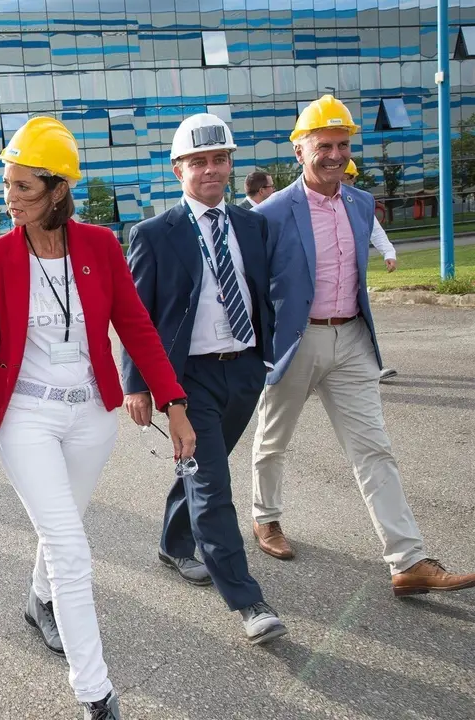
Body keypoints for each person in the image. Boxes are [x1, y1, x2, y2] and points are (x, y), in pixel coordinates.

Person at [0, 116, 195, 720]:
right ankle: (95, 691)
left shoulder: (100, 246)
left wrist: (174, 403)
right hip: (27, 416)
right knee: (70, 545)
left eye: (23, 188)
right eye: (7, 185)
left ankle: (39, 602)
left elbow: (136, 326)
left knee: (62, 527)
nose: (10, 199)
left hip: (91, 415)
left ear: (58, 190)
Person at [251, 96, 475, 596]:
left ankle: (408, 560)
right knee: (273, 438)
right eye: (324, 145)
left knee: (374, 449)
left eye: (343, 145)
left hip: (351, 338)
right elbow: (252, 285)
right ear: (300, 149)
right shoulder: (270, 213)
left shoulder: (361, 203)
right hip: (296, 341)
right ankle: (266, 518)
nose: (334, 154)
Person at [122, 114, 287, 645]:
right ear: (178, 169)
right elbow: (134, 316)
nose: (210, 170)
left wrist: (266, 358)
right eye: (198, 162)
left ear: (230, 163)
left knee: (201, 468)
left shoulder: (252, 225)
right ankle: (247, 599)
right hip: (186, 380)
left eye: (219, 159)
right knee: (214, 486)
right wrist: (138, 385)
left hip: (243, 371)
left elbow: (262, 293)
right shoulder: (152, 234)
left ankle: (174, 544)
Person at [343, 160, 398, 380]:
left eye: (352, 178)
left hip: (354, 278)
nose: (353, 182)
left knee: (361, 323)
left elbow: (376, 230)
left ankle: (373, 367)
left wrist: (389, 253)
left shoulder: (358, 202)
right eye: (350, 178)